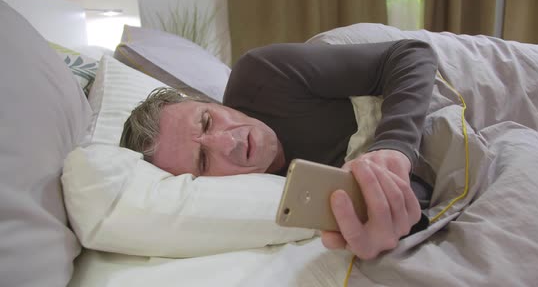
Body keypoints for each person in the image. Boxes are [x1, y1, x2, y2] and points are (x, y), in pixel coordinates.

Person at [120, 40, 438, 260]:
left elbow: (410, 55)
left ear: (211, 102)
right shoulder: (271, 206)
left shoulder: (262, 75)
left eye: (207, 121)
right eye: (203, 160)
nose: (230, 142)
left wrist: (394, 146)